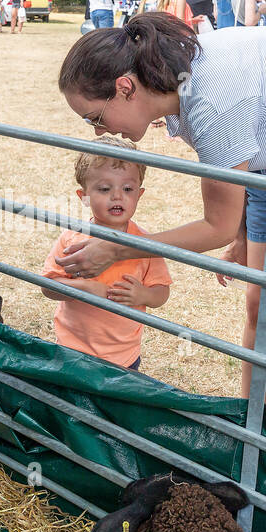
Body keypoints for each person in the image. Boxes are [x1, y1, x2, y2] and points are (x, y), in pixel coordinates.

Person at [56, 14, 266, 440]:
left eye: (94, 116)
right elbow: (241, 168)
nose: (99, 130)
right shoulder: (179, 87)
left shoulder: (212, 105)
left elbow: (215, 225)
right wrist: (242, 234)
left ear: (126, 88)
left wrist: (116, 248)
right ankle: (251, 421)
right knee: (259, 303)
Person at [40, 138, 171, 371]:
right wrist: (86, 290)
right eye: (104, 188)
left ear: (139, 194)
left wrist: (143, 295)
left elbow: (161, 292)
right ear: (84, 196)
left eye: (127, 189)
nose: (117, 196)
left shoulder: (144, 245)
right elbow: (48, 286)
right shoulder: (72, 239)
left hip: (123, 356)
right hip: (71, 349)